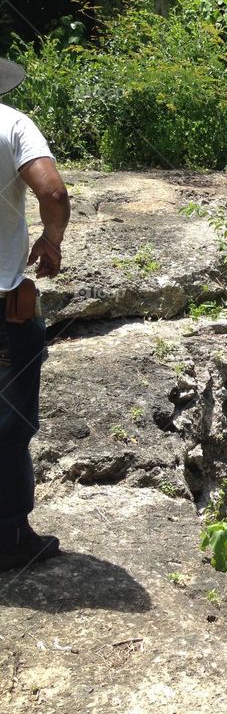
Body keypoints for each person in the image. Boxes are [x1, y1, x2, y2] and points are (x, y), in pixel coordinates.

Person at [0, 58, 71, 573]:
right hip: (6, 306)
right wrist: (49, 242)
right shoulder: (12, 124)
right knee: (8, 422)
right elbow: (53, 192)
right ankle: (8, 541)